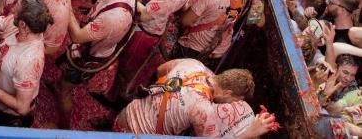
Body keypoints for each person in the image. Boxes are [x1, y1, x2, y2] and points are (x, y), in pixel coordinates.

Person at [56, 0, 136, 128]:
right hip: (99, 39)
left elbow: (77, 36)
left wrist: (67, 1)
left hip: (90, 54)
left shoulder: (111, 18)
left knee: (66, 87)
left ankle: (64, 126)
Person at [115, 59, 276, 138]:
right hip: (137, 134)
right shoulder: (203, 110)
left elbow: (160, 70)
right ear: (227, 93)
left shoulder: (194, 64)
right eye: (233, 100)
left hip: (124, 114)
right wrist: (250, 132)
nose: (230, 104)